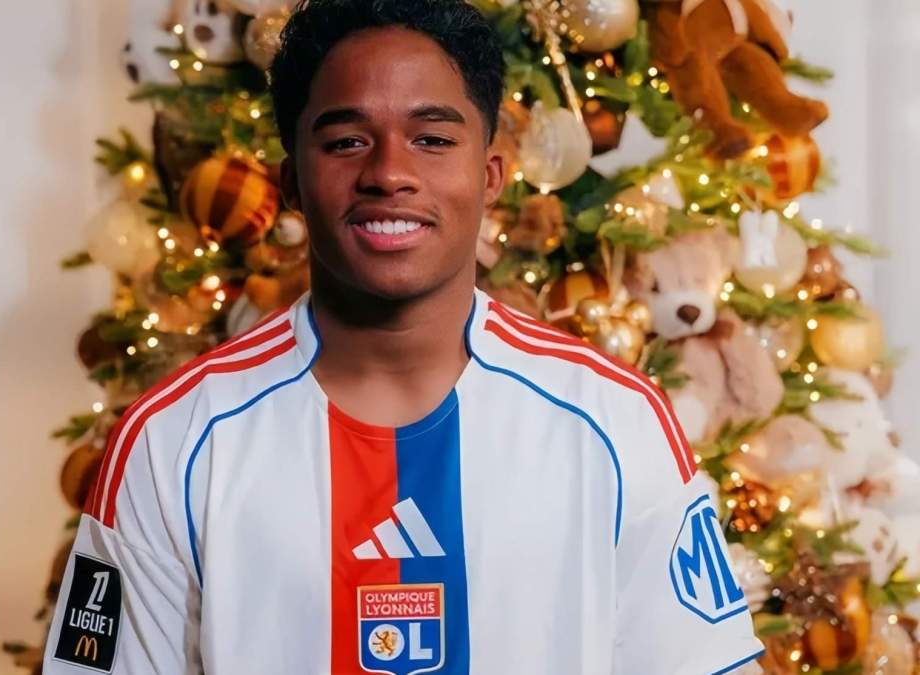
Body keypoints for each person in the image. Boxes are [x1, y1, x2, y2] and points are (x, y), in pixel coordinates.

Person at [43, 1, 765, 673]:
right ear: (291, 183)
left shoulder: (615, 421)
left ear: (490, 177)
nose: (389, 173)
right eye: (348, 140)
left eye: (431, 138)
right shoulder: (175, 438)